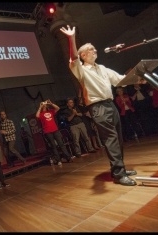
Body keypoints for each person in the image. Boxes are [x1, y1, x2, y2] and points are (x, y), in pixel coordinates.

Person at [60, 25, 138, 186]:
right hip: (98, 108)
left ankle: (119, 168)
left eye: (95, 49)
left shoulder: (102, 68)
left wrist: (138, 77)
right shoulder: (80, 69)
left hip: (111, 105)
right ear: (83, 55)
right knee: (111, 140)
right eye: (91, 49)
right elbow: (73, 57)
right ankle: (118, 174)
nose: (95, 51)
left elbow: (120, 80)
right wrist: (71, 38)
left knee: (118, 139)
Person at [36, 99, 75, 166]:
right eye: (44, 105)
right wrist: (40, 106)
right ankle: (58, 160)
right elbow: (37, 116)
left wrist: (51, 103)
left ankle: (68, 158)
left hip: (55, 130)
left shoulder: (51, 112)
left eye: (45, 105)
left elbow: (58, 108)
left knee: (61, 144)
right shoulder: (41, 114)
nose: (44, 106)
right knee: (53, 146)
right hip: (48, 131)